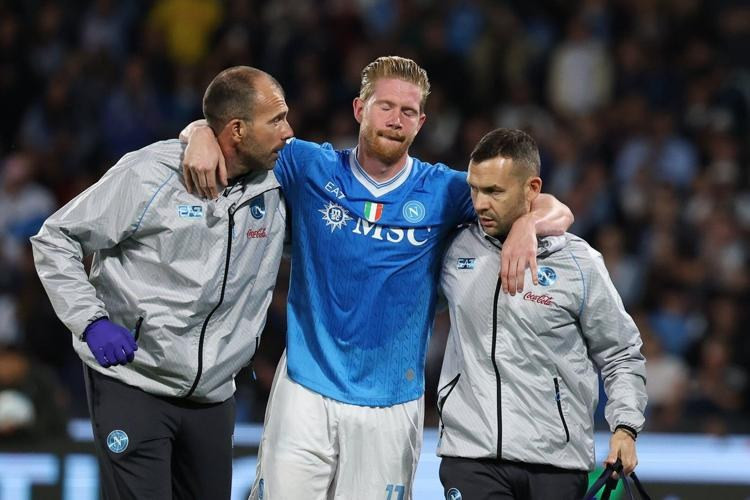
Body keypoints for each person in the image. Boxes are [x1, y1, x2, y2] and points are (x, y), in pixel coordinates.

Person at [181, 56, 574, 500]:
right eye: (385, 106)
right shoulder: (309, 166)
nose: (395, 120)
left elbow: (554, 207)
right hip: (306, 389)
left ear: (421, 123)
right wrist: (199, 134)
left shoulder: (444, 190)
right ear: (359, 109)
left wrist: (526, 224)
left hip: (391, 403)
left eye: (408, 111)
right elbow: (237, 134)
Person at [30, 66, 293, 499]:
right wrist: (91, 321)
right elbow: (55, 238)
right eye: (277, 120)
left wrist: (199, 131)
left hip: (213, 396)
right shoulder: (152, 174)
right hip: (134, 381)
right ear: (237, 130)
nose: (288, 132)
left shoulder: (280, 184)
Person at [437, 128, 647, 500]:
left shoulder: (579, 263)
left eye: (495, 192)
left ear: (532, 188)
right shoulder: (455, 249)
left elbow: (621, 353)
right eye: (475, 190)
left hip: (556, 461)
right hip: (470, 454)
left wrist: (625, 428)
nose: (480, 204)